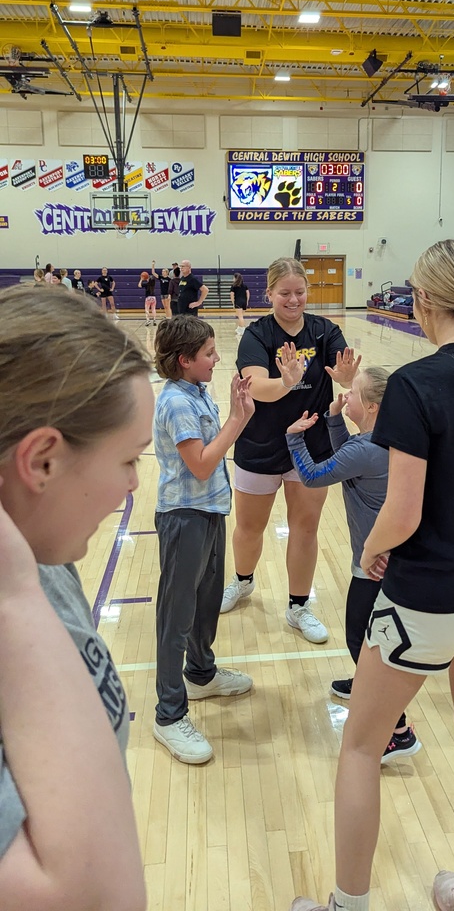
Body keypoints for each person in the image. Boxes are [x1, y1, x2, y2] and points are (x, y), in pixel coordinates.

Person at [291, 239, 454, 911]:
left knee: (360, 747)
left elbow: (400, 514)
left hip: (426, 601)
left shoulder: (414, 384)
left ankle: (347, 904)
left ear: (423, 300)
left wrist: (374, 551)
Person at [0, 285, 151, 911]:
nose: (133, 487)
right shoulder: (18, 580)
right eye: (127, 461)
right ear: (42, 461)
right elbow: (94, 895)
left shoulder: (44, 548)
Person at [286, 367, 421, 764]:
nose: (347, 395)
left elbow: (312, 475)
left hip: (375, 564)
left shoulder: (365, 450)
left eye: (353, 393)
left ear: (373, 406)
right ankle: (366, 682)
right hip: (399, 557)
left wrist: (294, 438)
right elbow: (352, 454)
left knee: (358, 637)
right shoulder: (386, 439)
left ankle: (399, 731)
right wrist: (332, 419)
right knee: (377, 637)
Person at [221, 257, 359, 644]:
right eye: (285, 293)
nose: (293, 299)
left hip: (311, 446)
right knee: (250, 527)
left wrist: (348, 378)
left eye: (300, 292)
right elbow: (256, 387)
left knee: (305, 528)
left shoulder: (325, 331)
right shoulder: (257, 336)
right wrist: (286, 381)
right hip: (260, 443)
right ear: (269, 294)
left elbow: (344, 371)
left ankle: (299, 606)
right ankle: (242, 581)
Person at [153, 315, 254, 763]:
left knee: (207, 602)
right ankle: (169, 714)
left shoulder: (197, 391)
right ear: (185, 360)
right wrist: (237, 420)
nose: (216, 360)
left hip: (210, 511)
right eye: (209, 354)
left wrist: (237, 416)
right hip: (184, 517)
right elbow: (199, 464)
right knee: (176, 617)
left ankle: (200, 674)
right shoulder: (176, 402)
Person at [138, 261, 159, 327]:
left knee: (147, 309)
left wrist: (141, 279)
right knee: (153, 309)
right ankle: (154, 320)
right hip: (154, 298)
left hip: (148, 298)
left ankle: (148, 321)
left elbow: (139, 285)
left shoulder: (146, 284)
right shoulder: (153, 284)